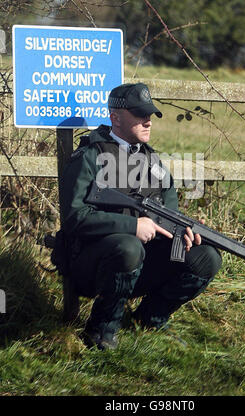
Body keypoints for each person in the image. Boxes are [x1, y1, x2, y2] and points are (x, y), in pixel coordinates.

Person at [60, 82, 222, 351]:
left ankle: (148, 321)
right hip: (90, 266)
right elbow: (75, 218)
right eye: (140, 115)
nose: (148, 121)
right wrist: (132, 225)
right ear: (115, 118)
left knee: (207, 257)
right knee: (128, 246)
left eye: (150, 115)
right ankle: (101, 330)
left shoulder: (155, 164)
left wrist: (186, 231)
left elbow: (170, 217)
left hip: (140, 264)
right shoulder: (90, 156)